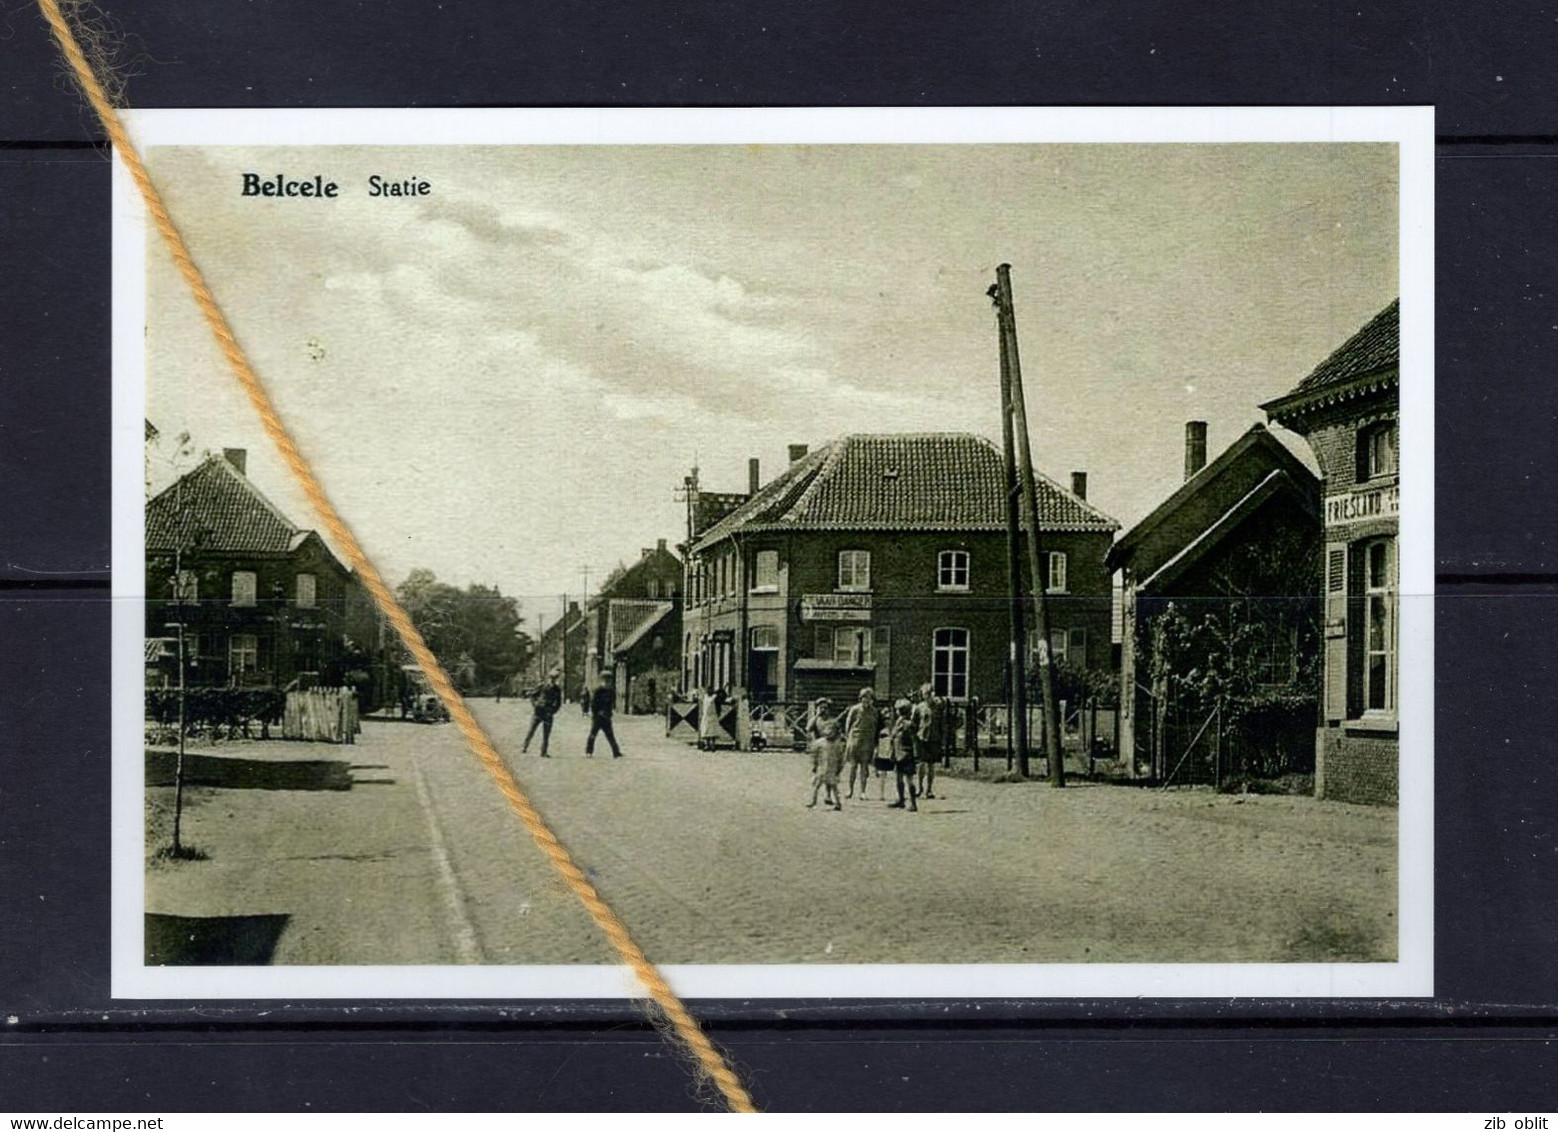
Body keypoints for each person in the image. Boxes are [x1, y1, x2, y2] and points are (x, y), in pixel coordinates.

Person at [840, 687, 880, 801]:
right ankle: (850, 790)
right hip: (855, 741)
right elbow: (848, 725)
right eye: (864, 698)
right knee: (853, 767)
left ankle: (863, 791)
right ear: (860, 699)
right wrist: (849, 739)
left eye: (869, 699)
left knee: (864, 767)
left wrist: (874, 742)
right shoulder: (855, 709)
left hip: (867, 742)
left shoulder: (874, 712)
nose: (866, 701)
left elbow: (875, 727)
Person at [913, 681, 944, 800]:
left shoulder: (938, 706)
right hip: (921, 738)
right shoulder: (919, 707)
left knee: (931, 765)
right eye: (925, 694)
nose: (928, 696)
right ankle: (920, 787)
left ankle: (929, 789)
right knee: (921, 763)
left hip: (934, 738)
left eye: (930, 693)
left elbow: (941, 722)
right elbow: (915, 722)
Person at [522, 670, 563, 757]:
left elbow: (558, 703)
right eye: (551, 678)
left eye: (554, 678)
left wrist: (552, 711)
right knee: (531, 730)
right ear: (548, 678)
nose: (552, 680)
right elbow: (532, 695)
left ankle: (543, 752)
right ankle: (524, 747)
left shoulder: (557, 689)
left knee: (546, 734)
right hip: (538, 712)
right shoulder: (542, 686)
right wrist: (535, 704)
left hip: (548, 713)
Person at [806, 719, 845, 811]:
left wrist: (839, 769)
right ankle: (813, 801)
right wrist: (814, 766)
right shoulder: (819, 743)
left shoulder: (838, 745)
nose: (829, 733)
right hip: (821, 769)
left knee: (834, 787)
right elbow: (814, 755)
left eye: (832, 731)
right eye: (827, 730)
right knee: (816, 786)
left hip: (832, 769)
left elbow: (841, 758)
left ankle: (838, 803)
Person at [888, 697, 919, 811]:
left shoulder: (908, 724)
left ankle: (913, 803)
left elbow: (913, 740)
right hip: (898, 754)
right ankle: (901, 800)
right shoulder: (898, 723)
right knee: (899, 777)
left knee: (909, 779)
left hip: (906, 754)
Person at [585, 671, 624, 758]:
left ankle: (616, 752)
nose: (607, 682)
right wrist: (596, 714)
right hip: (598, 717)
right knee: (593, 734)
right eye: (605, 680)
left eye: (609, 680)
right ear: (601, 681)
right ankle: (589, 751)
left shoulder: (610, 692)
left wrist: (609, 714)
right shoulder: (598, 691)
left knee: (610, 735)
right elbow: (594, 704)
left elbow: (610, 705)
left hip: (606, 717)